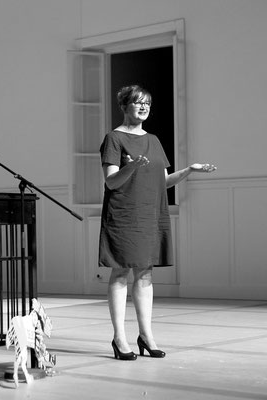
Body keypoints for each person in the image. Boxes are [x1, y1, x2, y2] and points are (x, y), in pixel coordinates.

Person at [98, 85, 217, 360]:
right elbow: (111, 181)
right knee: (120, 272)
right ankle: (119, 338)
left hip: (150, 213)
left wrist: (189, 170)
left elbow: (162, 182)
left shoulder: (153, 139)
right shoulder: (113, 138)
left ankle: (146, 335)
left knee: (145, 274)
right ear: (124, 106)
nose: (143, 108)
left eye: (147, 104)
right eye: (138, 103)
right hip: (124, 214)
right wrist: (131, 166)